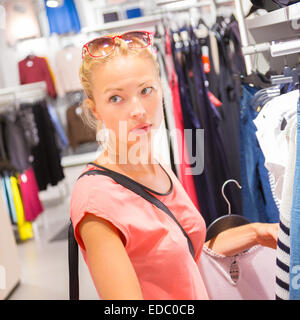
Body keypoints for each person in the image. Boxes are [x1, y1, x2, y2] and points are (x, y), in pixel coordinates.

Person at [70, 31, 278, 300]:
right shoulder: (96, 200)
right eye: (116, 98)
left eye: (146, 90)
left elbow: (187, 255)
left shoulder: (156, 167)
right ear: (94, 108)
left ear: (160, 88)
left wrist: (258, 232)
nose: (138, 110)